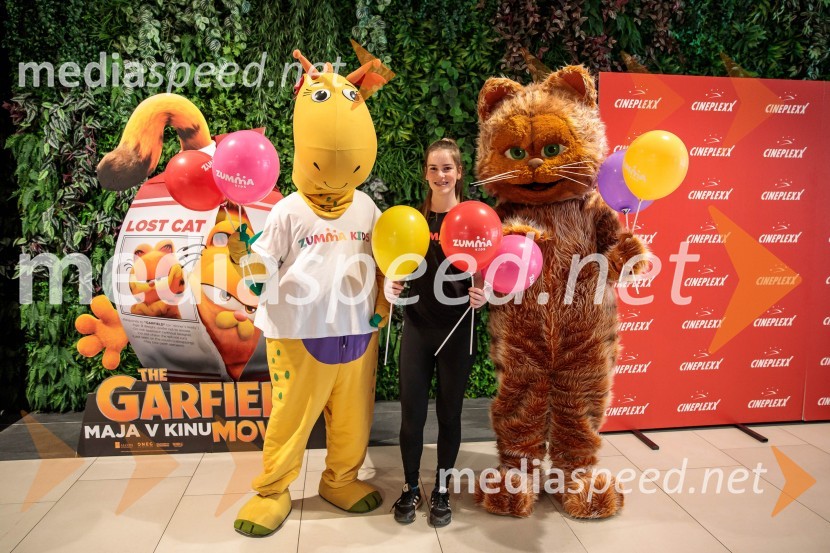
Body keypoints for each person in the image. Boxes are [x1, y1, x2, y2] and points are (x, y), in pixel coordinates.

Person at [386, 138, 487, 527]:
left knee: (449, 415)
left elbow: (486, 269)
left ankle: (442, 489)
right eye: (433, 168)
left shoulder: (475, 219)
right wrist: (393, 283)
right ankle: (411, 486)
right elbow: (398, 264)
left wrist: (484, 294)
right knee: (411, 416)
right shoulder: (414, 220)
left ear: (459, 172)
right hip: (417, 328)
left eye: (447, 168)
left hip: (457, 332)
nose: (440, 175)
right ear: (425, 173)